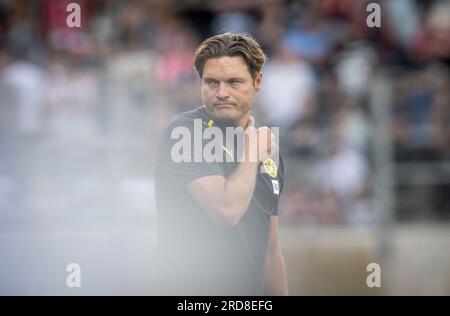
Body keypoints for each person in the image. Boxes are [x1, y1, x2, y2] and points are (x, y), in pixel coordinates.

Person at [154, 32, 288, 296]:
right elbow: (227, 210)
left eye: (234, 82)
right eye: (211, 82)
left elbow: (271, 249)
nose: (221, 93)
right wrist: (252, 153)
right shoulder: (185, 133)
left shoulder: (266, 149)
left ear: (257, 82)